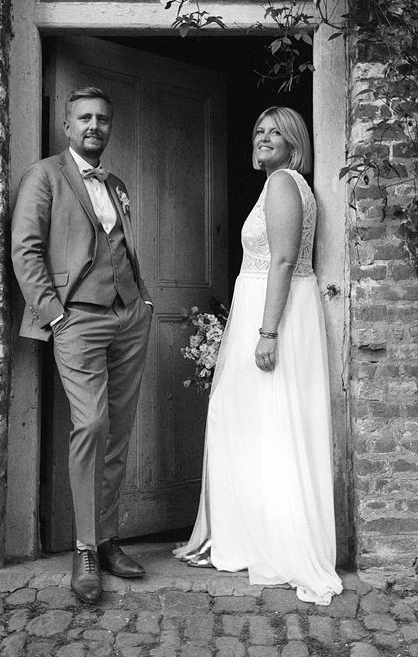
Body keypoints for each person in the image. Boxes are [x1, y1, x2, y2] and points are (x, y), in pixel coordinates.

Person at [174, 106, 343, 605]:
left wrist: (267, 332)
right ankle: (250, 533)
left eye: (276, 132)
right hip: (268, 308)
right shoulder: (282, 184)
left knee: (259, 422)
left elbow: (286, 260)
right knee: (256, 423)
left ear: (295, 144)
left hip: (275, 316)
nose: (264, 138)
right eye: (259, 131)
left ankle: (267, 539)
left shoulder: (285, 185)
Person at [12, 86, 153, 604]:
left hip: (129, 316)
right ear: (67, 126)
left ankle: (110, 538)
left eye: (102, 118)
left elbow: (124, 247)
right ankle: (85, 548)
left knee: (117, 432)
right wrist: (55, 315)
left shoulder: (116, 184)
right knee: (90, 424)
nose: (94, 126)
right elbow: (26, 250)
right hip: (78, 321)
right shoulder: (45, 176)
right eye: (85, 118)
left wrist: (144, 303)